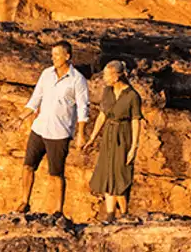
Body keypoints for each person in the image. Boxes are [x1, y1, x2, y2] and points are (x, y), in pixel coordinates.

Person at [16, 40, 88, 215]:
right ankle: (24, 202)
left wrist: (81, 134)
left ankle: (58, 210)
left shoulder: (78, 80)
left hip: (59, 133)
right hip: (40, 128)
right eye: (52, 54)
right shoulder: (46, 74)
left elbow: (82, 107)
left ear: (67, 56)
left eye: (57, 55)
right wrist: (21, 116)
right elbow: (36, 98)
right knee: (27, 166)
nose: (53, 58)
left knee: (56, 174)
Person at [83, 59, 146, 219]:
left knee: (120, 174)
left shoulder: (132, 96)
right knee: (107, 173)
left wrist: (133, 147)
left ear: (117, 76)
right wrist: (92, 138)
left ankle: (124, 213)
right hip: (109, 135)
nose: (104, 78)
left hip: (123, 136)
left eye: (107, 75)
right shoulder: (107, 92)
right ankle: (110, 214)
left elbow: (135, 121)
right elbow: (102, 116)